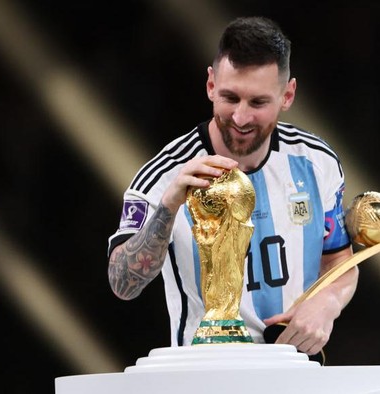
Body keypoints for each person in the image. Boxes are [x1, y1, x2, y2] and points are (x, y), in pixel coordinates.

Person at [107, 16, 356, 357]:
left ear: (287, 95)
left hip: (297, 373)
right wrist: (168, 207)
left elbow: (340, 262)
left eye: (257, 103)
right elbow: (123, 284)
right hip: (205, 375)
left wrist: (327, 302)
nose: (240, 118)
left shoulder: (317, 163)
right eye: (230, 98)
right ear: (210, 85)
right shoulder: (164, 176)